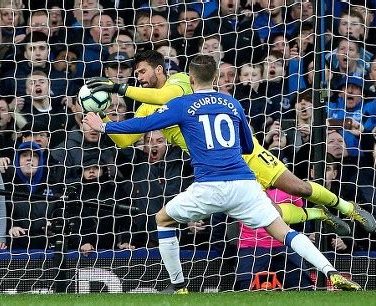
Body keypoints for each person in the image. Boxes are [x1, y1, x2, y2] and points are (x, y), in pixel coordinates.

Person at [83, 54, 361, 293]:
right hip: (243, 179)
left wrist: (105, 122)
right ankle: (329, 269)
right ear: (215, 77)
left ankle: (179, 288)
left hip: (212, 183)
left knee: (163, 219)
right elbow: (248, 143)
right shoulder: (232, 103)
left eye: (142, 72)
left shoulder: (178, 98)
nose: (139, 78)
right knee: (282, 229)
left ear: (187, 78)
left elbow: (152, 113)